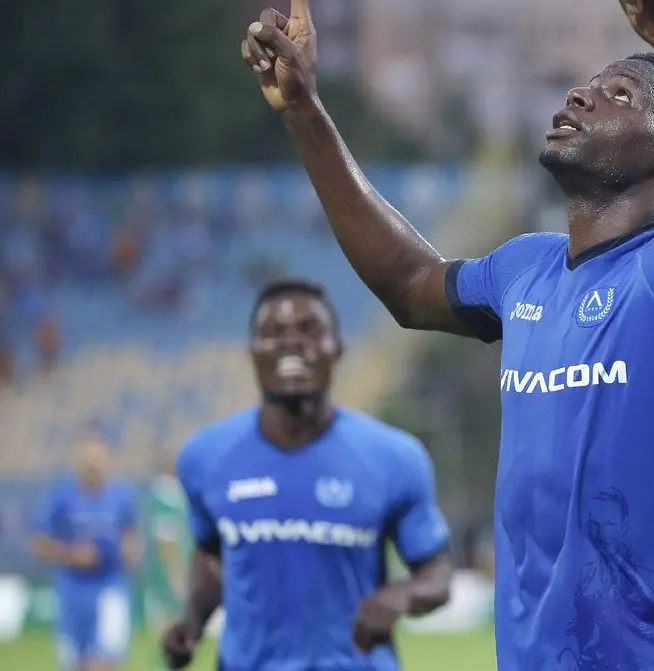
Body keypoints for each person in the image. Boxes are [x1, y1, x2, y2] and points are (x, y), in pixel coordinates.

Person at [241, 0, 654, 670]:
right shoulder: (524, 269)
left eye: (620, 95)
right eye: (587, 85)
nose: (581, 93)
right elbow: (411, 284)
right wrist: (305, 112)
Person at [160, 278, 452, 671]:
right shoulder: (205, 457)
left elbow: (437, 573)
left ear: (337, 350)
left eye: (310, 330)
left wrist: (402, 595)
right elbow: (211, 552)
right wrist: (192, 622)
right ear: (252, 352)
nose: (292, 343)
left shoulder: (395, 458)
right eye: (273, 332)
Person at [32, 427, 139, 671]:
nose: (92, 466)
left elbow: (130, 534)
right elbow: (40, 542)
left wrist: (131, 552)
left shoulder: (122, 495)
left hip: (110, 590)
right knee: (76, 664)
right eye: (87, 460)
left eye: (97, 460)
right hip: (72, 593)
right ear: (77, 461)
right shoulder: (60, 495)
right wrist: (71, 554)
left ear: (107, 461)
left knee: (103, 663)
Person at [141, 454, 192, 671]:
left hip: (166, 581)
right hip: (166, 584)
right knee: (172, 644)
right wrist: (176, 578)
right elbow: (166, 541)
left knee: (174, 645)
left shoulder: (171, 493)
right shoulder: (165, 494)